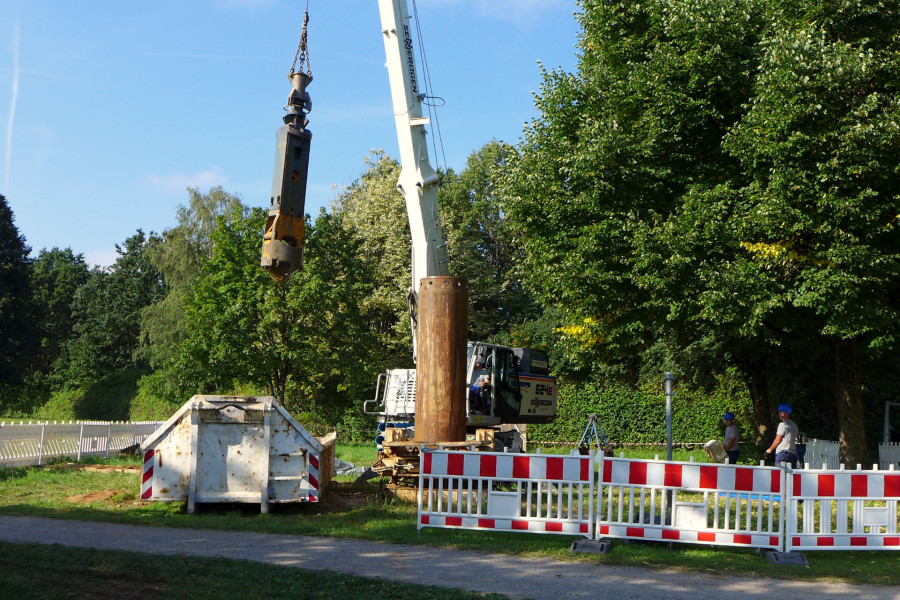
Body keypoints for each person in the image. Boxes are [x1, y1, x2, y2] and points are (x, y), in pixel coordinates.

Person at [765, 403, 799, 468]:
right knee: (790, 476)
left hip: (782, 454)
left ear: (784, 413)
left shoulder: (783, 424)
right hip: (793, 454)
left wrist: (770, 450)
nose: (779, 414)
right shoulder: (794, 425)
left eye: (780, 412)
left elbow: (778, 440)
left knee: (780, 475)